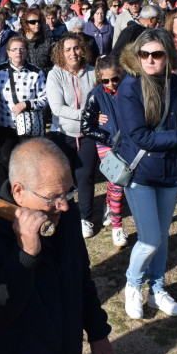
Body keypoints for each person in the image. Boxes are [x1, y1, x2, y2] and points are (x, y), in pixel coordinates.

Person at [0, 138, 114, 354]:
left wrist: (97, 332)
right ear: (19, 191)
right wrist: (25, 254)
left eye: (69, 192)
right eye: (52, 197)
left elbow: (80, 276)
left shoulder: (64, 213)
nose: (63, 205)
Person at [117, 29, 177, 318]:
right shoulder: (129, 88)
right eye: (144, 54)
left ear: (168, 55)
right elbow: (141, 137)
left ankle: (157, 289)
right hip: (140, 172)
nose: (150, 60)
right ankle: (133, 285)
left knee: (163, 235)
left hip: (169, 171)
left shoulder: (176, 85)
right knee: (149, 239)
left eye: (157, 54)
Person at [47, 32, 98, 238]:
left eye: (76, 48)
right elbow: (57, 108)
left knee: (85, 176)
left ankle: (86, 218)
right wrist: (87, 115)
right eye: (67, 49)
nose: (73, 53)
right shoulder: (55, 74)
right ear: (61, 52)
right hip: (63, 133)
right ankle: (65, 215)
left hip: (87, 134)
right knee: (63, 179)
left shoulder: (93, 72)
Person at [80, 55, 127, 246]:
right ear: (99, 78)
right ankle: (117, 227)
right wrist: (106, 138)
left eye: (115, 79)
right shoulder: (96, 94)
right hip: (106, 143)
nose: (111, 84)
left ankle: (109, 206)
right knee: (118, 182)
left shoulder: (129, 88)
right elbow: (86, 126)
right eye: (106, 80)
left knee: (115, 181)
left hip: (128, 143)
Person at [0, 36, 48, 170]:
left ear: (26, 52)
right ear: (8, 52)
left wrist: (26, 104)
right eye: (14, 49)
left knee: (27, 160)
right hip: (5, 122)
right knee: (6, 159)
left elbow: (45, 99)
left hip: (29, 124)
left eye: (22, 49)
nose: (18, 53)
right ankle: (11, 188)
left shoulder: (36, 72)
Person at [20, 6, 53, 72]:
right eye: (33, 22)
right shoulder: (19, 42)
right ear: (25, 23)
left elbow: (54, 67)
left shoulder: (48, 42)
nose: (37, 24)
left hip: (44, 79)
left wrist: (39, 72)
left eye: (39, 21)